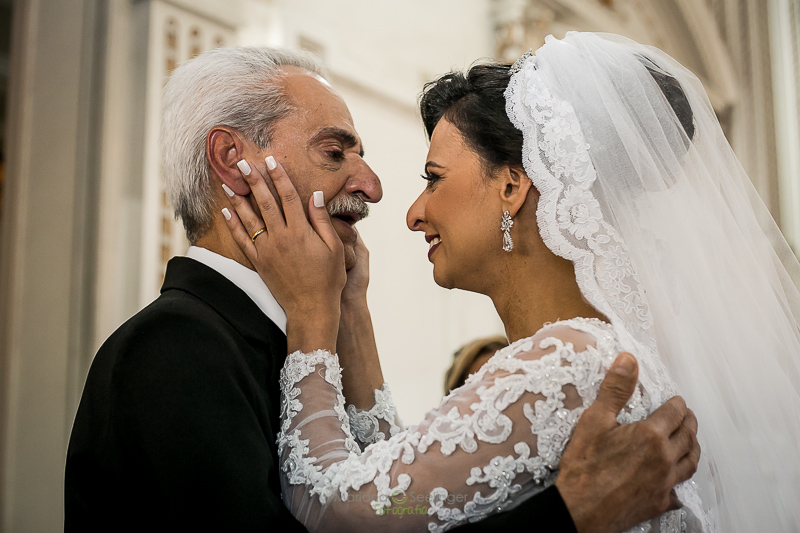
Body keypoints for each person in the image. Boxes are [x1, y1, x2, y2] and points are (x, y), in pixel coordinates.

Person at [65, 45, 699, 533]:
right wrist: (564, 517)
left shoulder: (570, 360)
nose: (374, 187)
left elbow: (373, 502)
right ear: (235, 162)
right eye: (335, 152)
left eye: (431, 176)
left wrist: (332, 313)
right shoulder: (175, 349)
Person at [223, 33, 800, 532]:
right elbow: (403, 495)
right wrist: (353, 308)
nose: (413, 212)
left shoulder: (568, 364)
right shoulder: (599, 352)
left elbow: (338, 509)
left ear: (512, 186)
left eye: (434, 178)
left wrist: (310, 314)